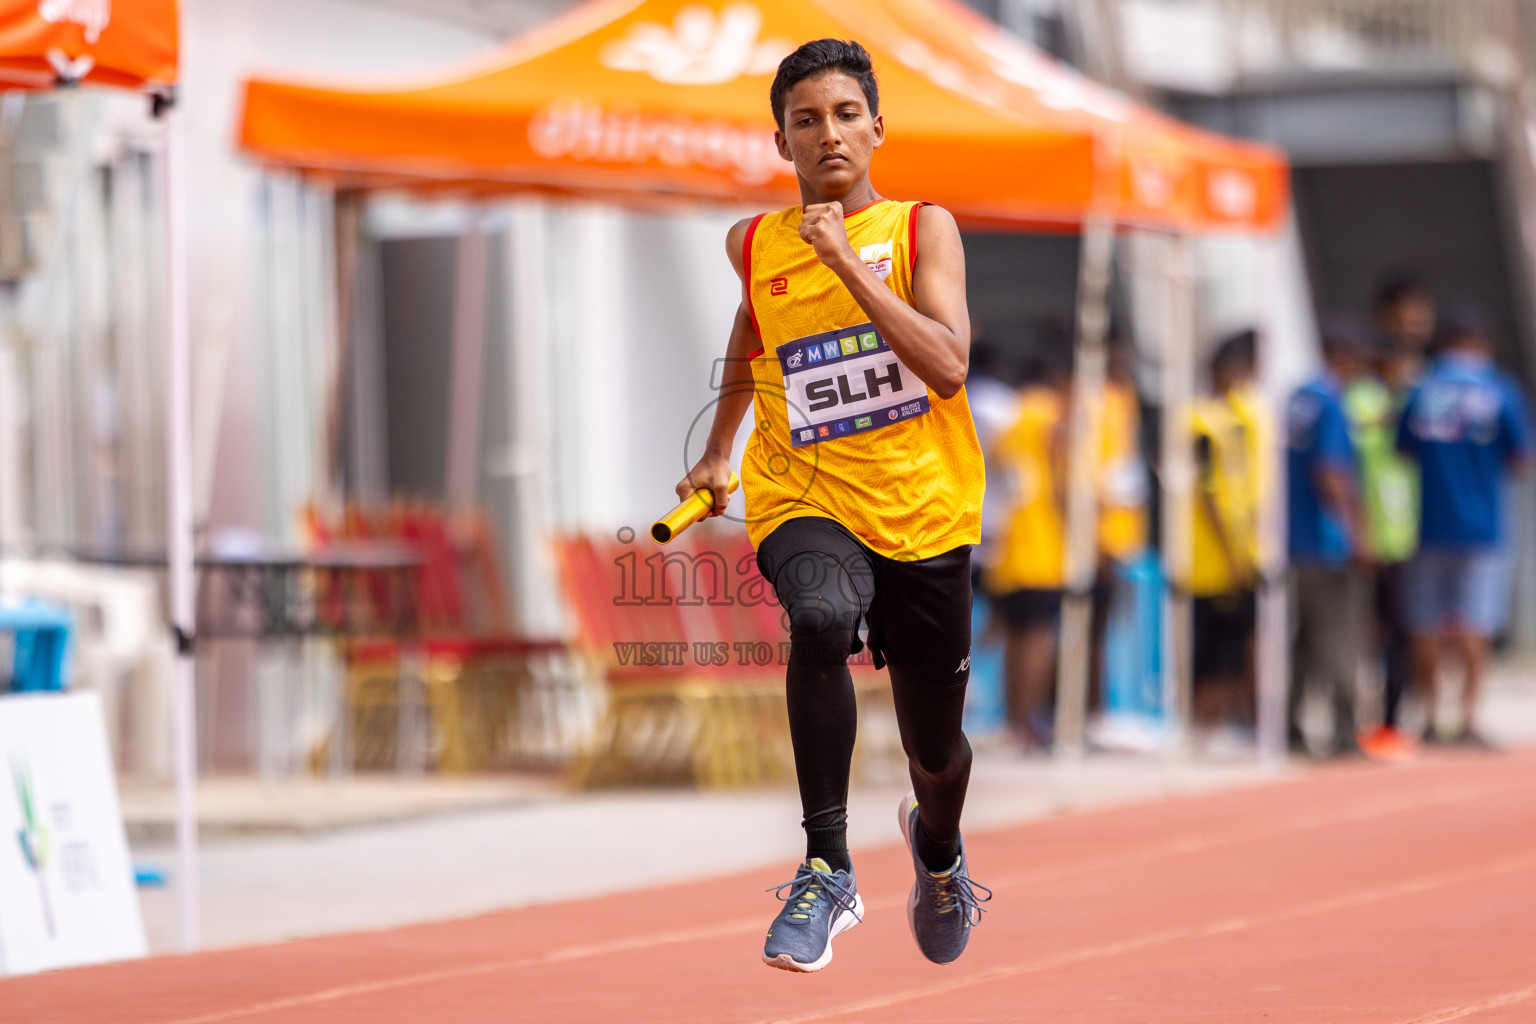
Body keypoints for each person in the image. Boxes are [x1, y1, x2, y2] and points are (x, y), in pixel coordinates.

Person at [677, 38, 990, 973]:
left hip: (926, 513)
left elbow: (946, 366)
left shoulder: (921, 231)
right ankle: (828, 866)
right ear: (781, 142)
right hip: (803, 496)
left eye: (846, 115)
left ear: (878, 129)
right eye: (805, 120)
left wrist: (850, 266)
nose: (828, 134)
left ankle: (938, 850)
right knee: (817, 617)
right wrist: (716, 450)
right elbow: (751, 328)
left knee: (938, 756)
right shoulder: (754, 245)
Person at [1396, 307, 1533, 746]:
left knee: (1425, 623)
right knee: (1477, 621)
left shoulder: (1421, 389)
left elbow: (1403, 452)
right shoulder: (1500, 389)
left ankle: (1433, 717)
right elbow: (1522, 461)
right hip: (1483, 526)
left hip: (1428, 524)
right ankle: (1469, 720)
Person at [1287, 319, 1372, 757]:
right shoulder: (1332, 404)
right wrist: (1357, 532)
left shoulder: (1296, 400)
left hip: (1293, 538)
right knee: (1339, 637)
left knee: (1303, 638)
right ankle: (1343, 731)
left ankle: (1290, 724)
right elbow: (1331, 471)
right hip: (1325, 541)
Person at [987, 346, 1072, 749]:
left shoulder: (1009, 420)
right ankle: (1032, 724)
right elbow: (1061, 481)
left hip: (1010, 540)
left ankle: (1014, 723)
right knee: (1039, 639)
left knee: (1015, 637)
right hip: (1044, 541)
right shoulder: (1053, 417)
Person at [1346, 338, 1421, 759]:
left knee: (1399, 633)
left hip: (1403, 538)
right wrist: (1363, 532)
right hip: (1371, 537)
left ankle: (1390, 720)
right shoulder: (1361, 403)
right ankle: (1358, 717)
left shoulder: (1413, 406)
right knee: (1364, 632)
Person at [1190, 331, 1261, 738]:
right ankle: (1208, 721)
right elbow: (1208, 492)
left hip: (1236, 549)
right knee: (1215, 648)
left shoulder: (1237, 416)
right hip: (1211, 557)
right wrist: (1232, 552)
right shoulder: (1201, 420)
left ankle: (1230, 719)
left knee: (1235, 643)